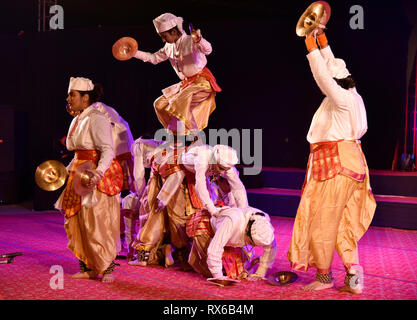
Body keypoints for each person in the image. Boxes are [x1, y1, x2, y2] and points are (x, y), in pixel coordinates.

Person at [287, 28, 376, 293]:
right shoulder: (353, 94)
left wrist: (310, 47)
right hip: (352, 163)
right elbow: (333, 68)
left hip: (334, 165)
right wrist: (324, 44)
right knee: (343, 222)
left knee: (322, 220)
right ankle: (353, 280)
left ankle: (324, 278)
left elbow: (323, 76)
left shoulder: (339, 99)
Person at [55, 77, 123, 283]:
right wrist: (65, 170)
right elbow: (77, 153)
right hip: (78, 171)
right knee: (78, 221)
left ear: (85, 97)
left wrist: (99, 173)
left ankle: (107, 267)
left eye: (72, 95)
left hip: (93, 174)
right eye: (69, 94)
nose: (68, 98)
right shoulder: (77, 119)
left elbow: (108, 150)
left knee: (98, 222)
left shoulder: (97, 117)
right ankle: (88, 267)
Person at [133, 12, 221, 137]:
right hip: (186, 84)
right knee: (159, 104)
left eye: (164, 36)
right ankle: (176, 134)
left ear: (174, 32)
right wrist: (133, 53)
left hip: (202, 83)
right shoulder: (168, 47)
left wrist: (199, 40)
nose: (163, 40)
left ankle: (195, 135)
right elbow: (153, 58)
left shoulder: (191, 41)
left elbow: (208, 50)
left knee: (177, 102)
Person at [91, 102, 136, 258]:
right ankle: (117, 239)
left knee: (115, 200)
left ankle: (120, 240)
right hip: (116, 154)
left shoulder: (98, 109)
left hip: (117, 156)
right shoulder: (101, 109)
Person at [206, 207, 277, 282]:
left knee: (241, 272)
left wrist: (260, 272)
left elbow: (271, 248)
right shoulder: (231, 222)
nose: (253, 247)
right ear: (247, 229)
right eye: (251, 243)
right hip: (213, 231)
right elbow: (215, 248)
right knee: (218, 271)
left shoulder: (263, 223)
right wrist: (218, 276)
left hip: (235, 241)